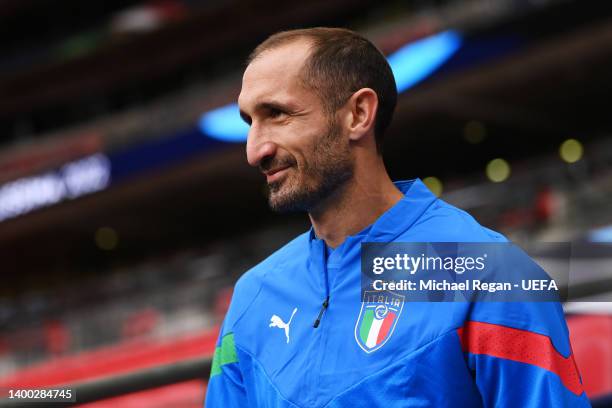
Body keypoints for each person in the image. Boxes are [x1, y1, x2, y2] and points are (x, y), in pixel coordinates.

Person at [205, 27, 590, 407]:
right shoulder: (252, 297)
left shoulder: (490, 274)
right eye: (249, 121)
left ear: (358, 114)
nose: (254, 150)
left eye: (277, 114)